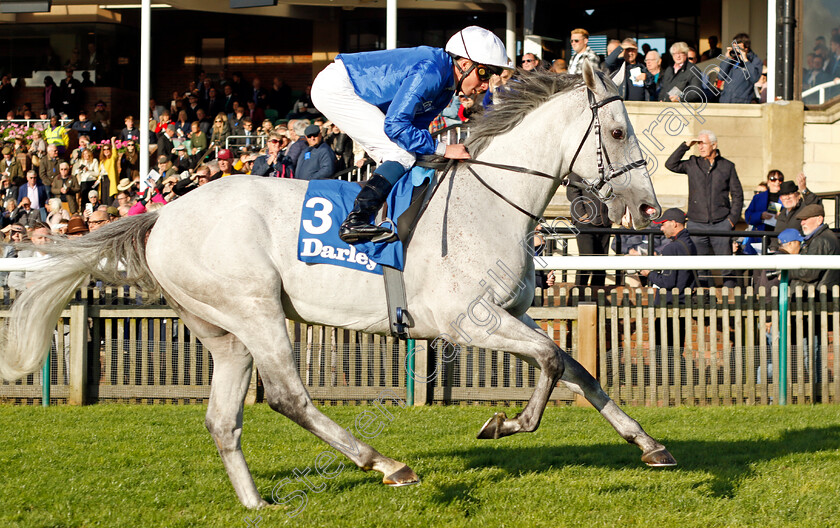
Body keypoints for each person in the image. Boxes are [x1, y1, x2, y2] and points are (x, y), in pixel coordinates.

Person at [311, 25, 511, 243]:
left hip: (348, 89)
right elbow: (396, 126)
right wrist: (444, 149)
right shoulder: (431, 70)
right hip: (337, 87)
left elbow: (415, 131)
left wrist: (434, 151)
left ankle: (383, 216)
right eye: (484, 73)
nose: (485, 85)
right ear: (464, 64)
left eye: (491, 76)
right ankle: (356, 221)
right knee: (400, 154)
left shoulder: (445, 89)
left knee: (405, 154)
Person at [665, 130, 743, 287]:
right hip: (696, 223)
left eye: (703, 143)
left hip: (722, 224)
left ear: (714, 145)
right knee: (700, 267)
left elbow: (737, 195)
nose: (700, 147)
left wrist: (731, 221)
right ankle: (704, 298)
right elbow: (670, 164)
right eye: (698, 143)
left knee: (726, 266)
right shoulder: (692, 163)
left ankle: (731, 299)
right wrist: (686, 146)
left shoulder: (727, 166)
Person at [639, 208, 697, 361]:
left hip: (669, 305)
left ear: (674, 223)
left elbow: (668, 282)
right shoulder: (689, 243)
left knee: (663, 352)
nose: (661, 228)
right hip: (683, 304)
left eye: (664, 224)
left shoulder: (672, 247)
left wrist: (648, 273)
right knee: (676, 350)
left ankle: (669, 382)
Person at [566, 173, 611, 289]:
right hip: (584, 222)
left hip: (604, 220)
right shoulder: (578, 169)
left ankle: (598, 292)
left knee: (601, 263)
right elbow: (572, 193)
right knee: (586, 259)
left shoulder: (607, 167)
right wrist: (582, 214)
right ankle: (579, 292)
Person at [771, 176, 822, 251]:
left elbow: (815, 205)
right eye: (784, 195)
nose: (787, 197)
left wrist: (804, 190)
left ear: (798, 195)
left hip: (800, 252)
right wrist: (773, 249)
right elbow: (775, 237)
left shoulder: (805, 208)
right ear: (781, 199)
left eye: (790, 194)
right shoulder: (782, 213)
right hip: (782, 253)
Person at [719, 33, 764, 104]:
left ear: (746, 48)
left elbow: (754, 78)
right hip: (726, 101)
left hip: (742, 103)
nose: (736, 50)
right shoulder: (732, 60)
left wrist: (746, 60)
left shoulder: (754, 61)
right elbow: (721, 76)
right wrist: (727, 59)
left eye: (738, 48)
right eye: (734, 47)